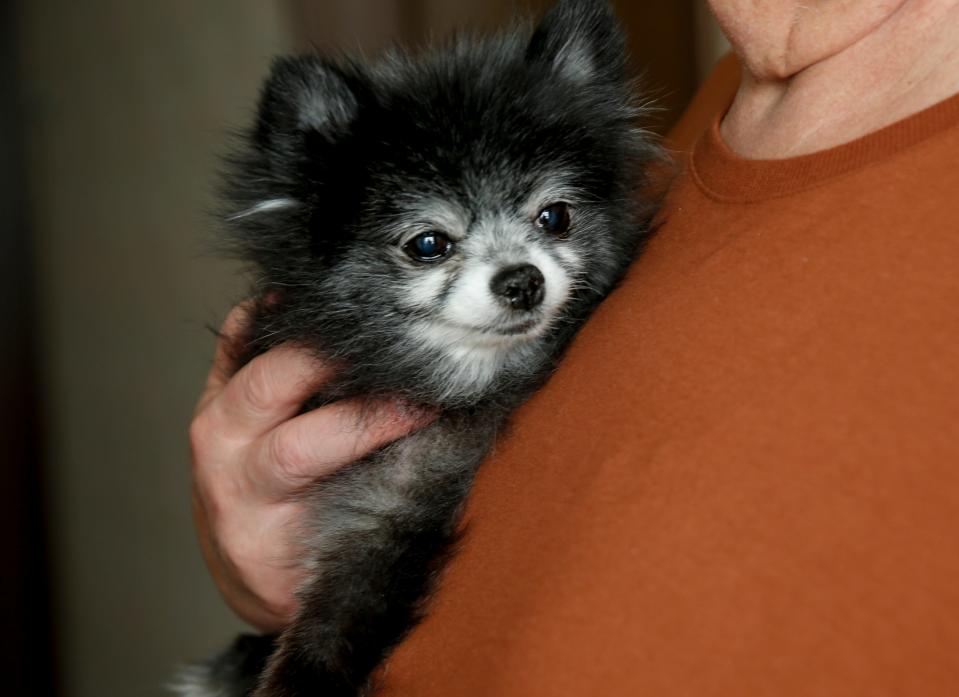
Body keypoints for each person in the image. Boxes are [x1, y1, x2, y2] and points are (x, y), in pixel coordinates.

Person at [190, 1, 959, 694]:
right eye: (430, 243)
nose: (516, 272)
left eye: (550, 220)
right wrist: (285, 576)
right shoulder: (711, 120)